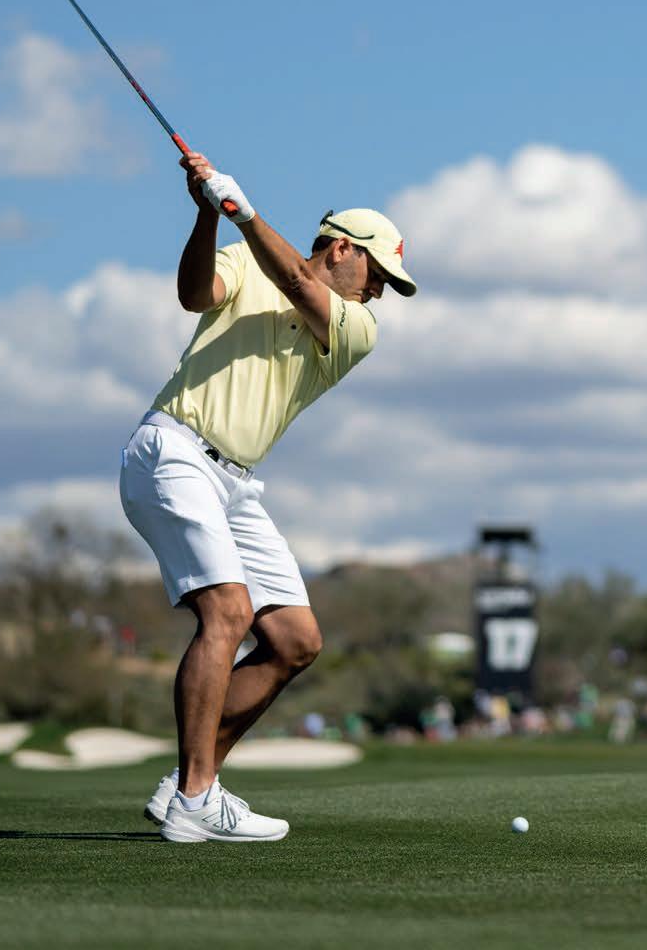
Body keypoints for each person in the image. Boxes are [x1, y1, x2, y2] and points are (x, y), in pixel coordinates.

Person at [120, 152, 416, 843]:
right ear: (342, 249)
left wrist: (243, 213)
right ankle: (197, 798)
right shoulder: (245, 260)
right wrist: (207, 217)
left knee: (294, 641)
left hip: (236, 483)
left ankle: (189, 783)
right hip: (174, 450)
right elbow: (195, 295)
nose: (379, 292)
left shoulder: (356, 328)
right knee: (228, 611)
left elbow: (296, 282)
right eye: (377, 274)